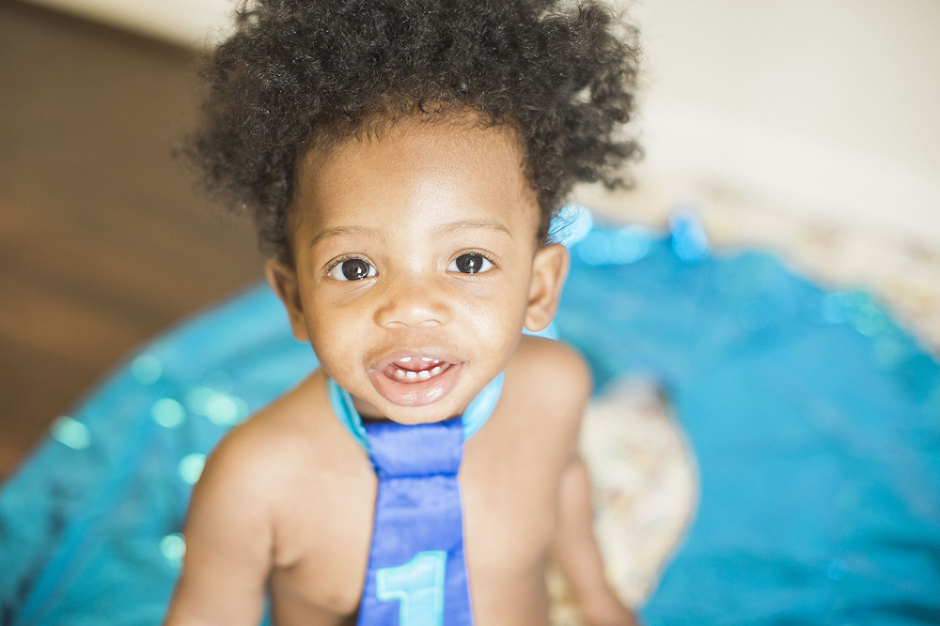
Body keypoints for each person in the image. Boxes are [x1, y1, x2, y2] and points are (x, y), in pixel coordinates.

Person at [164, 0, 641, 624]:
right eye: (356, 268)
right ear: (295, 299)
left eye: (469, 262)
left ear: (539, 289)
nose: (411, 307)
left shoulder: (556, 390)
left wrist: (599, 599)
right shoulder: (255, 480)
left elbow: (565, 483)